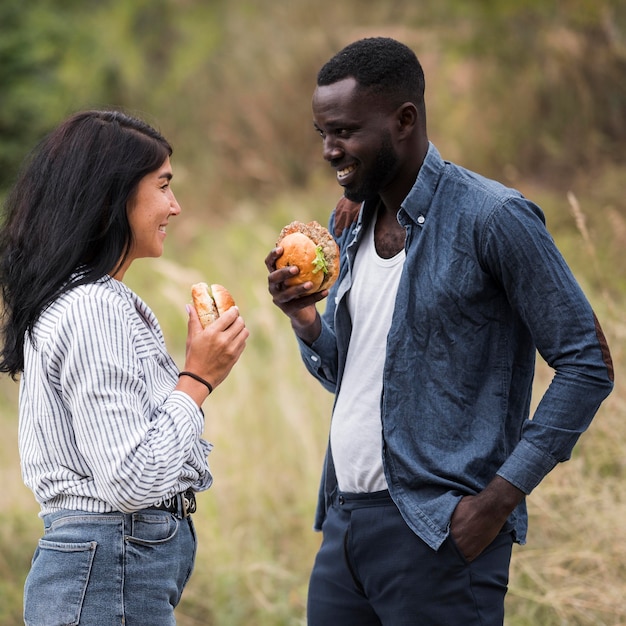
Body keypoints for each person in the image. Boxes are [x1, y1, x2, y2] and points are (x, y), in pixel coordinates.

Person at [265, 38, 614, 625]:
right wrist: (305, 320)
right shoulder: (349, 223)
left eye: (345, 131)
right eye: (322, 133)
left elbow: (587, 363)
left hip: (439, 533)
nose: (329, 150)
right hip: (345, 525)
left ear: (404, 120)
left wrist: (498, 501)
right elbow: (355, 373)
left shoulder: (493, 218)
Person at [0, 110, 249, 625]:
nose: (175, 207)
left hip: (106, 569)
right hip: (109, 566)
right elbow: (130, 480)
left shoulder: (84, 297)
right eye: (163, 186)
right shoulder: (94, 308)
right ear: (114, 196)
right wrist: (198, 379)